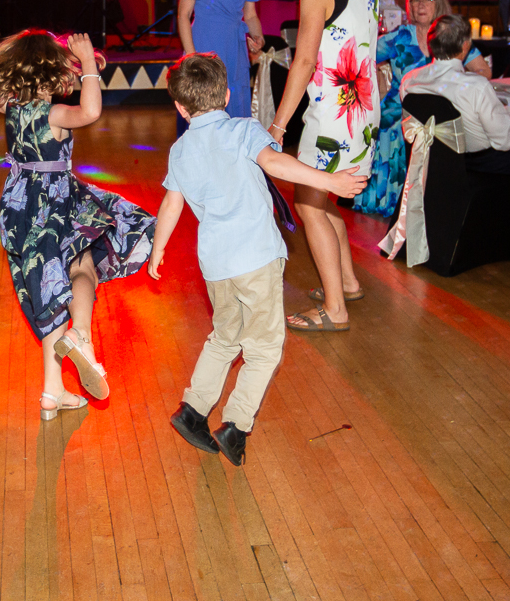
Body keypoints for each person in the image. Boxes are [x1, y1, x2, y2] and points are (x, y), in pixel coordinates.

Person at [148, 53, 366, 465]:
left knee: (225, 337)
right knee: (265, 347)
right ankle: (236, 424)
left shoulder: (180, 150)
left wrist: (159, 247)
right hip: (256, 259)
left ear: (180, 107)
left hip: (216, 266)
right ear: (228, 95)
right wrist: (330, 181)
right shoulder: (243, 129)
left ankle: (193, 410)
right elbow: (276, 163)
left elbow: (171, 203)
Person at [0, 30, 155, 419]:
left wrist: (8, 67)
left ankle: (52, 391)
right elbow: (91, 112)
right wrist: (88, 64)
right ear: (51, 74)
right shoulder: (55, 115)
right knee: (83, 268)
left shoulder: (12, 109)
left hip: (20, 209)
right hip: (55, 207)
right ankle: (80, 335)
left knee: (48, 293)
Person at [268, 0, 380, 332]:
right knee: (323, 196)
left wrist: (278, 125)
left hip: (335, 114)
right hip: (362, 109)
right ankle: (347, 283)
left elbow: (303, 61)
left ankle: (335, 310)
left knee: (308, 203)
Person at [354, 0, 491, 217]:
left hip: (440, 110)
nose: (421, 5)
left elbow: (483, 71)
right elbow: (364, 56)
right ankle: (390, 201)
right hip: (399, 108)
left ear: (439, 4)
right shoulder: (400, 36)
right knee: (391, 123)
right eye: (415, 0)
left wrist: (461, 85)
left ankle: (432, 203)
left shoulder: (451, 36)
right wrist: (375, 84)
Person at [401, 14, 510, 173]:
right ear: (465, 46)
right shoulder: (476, 87)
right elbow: (503, 141)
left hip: (431, 166)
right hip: (479, 169)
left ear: (431, 43)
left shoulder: (409, 81)